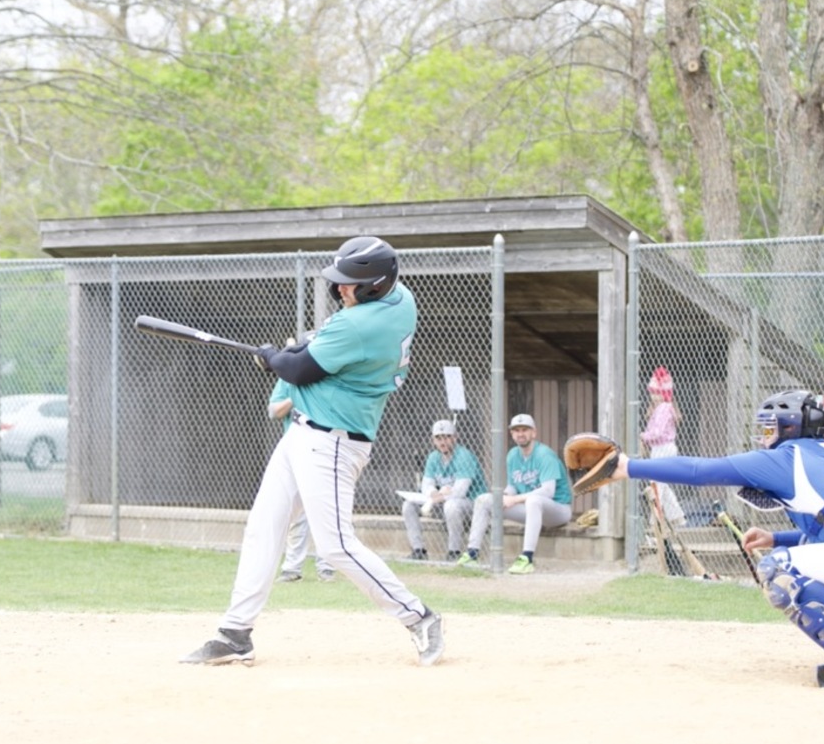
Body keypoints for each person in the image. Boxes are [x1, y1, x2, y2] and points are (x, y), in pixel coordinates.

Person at [181, 235, 445, 666]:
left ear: (375, 285)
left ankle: (419, 617)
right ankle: (235, 633)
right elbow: (315, 349)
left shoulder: (359, 325)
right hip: (302, 434)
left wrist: (273, 358)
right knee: (265, 526)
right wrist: (292, 351)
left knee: (335, 545)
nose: (340, 289)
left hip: (333, 443)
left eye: (349, 283)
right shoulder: (402, 300)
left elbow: (299, 371)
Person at [605, 390, 824, 688]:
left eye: (771, 427)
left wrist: (628, 466)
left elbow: (701, 471)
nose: (765, 437)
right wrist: (776, 537)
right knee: (789, 558)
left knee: (778, 570)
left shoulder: (789, 456)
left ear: (793, 428)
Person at [457, 413, 572, 574]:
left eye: (525, 429)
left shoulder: (544, 454)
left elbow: (548, 491)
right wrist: (504, 496)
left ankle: (527, 558)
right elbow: (513, 485)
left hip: (558, 510)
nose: (520, 433)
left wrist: (515, 499)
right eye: (516, 430)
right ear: (512, 434)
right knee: (484, 500)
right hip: (531, 509)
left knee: (534, 500)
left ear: (534, 433)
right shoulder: (512, 455)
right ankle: (471, 553)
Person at [268, 374, 337, 584]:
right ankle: (292, 568)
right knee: (297, 513)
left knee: (324, 511)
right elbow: (274, 412)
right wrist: (296, 396)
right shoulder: (288, 379)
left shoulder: (328, 377)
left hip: (324, 449)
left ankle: (327, 567)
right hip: (296, 451)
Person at [402, 419, 485, 563]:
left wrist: (437, 497)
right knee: (408, 505)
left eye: (447, 437)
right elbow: (426, 485)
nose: (443, 442)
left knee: (451, 505)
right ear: (433, 440)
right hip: (443, 501)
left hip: (471, 504)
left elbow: (460, 491)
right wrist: (433, 492)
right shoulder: (434, 457)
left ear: (455, 438)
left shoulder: (463, 456)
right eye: (438, 438)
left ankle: (454, 551)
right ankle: (418, 550)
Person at [640, 366, 686, 528]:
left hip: (663, 448)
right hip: (660, 449)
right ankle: (677, 517)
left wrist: (642, 436)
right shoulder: (659, 408)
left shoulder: (664, 408)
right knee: (662, 483)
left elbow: (657, 432)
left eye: (656, 392)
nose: (653, 396)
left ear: (664, 393)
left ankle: (656, 518)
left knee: (657, 483)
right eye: (652, 392)